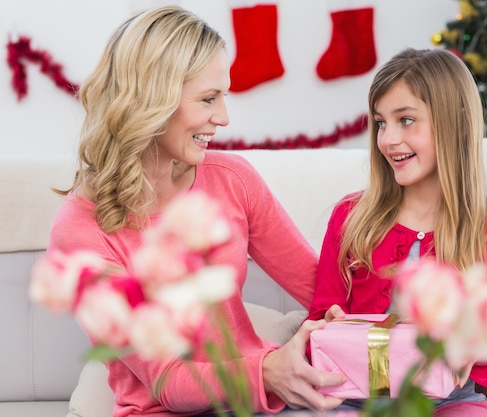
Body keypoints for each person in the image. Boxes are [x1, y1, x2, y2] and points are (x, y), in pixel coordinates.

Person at [46, 6, 346, 417]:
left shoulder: (233, 179)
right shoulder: (79, 231)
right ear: (152, 100)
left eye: (223, 96)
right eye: (208, 99)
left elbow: (323, 292)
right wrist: (268, 372)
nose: (223, 117)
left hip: (258, 404)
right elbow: (169, 379)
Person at [307, 48, 487, 417]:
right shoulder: (351, 218)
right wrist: (327, 330)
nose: (388, 139)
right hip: (354, 399)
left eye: (406, 120)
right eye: (381, 122)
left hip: (451, 402)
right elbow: (318, 323)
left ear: (454, 123)